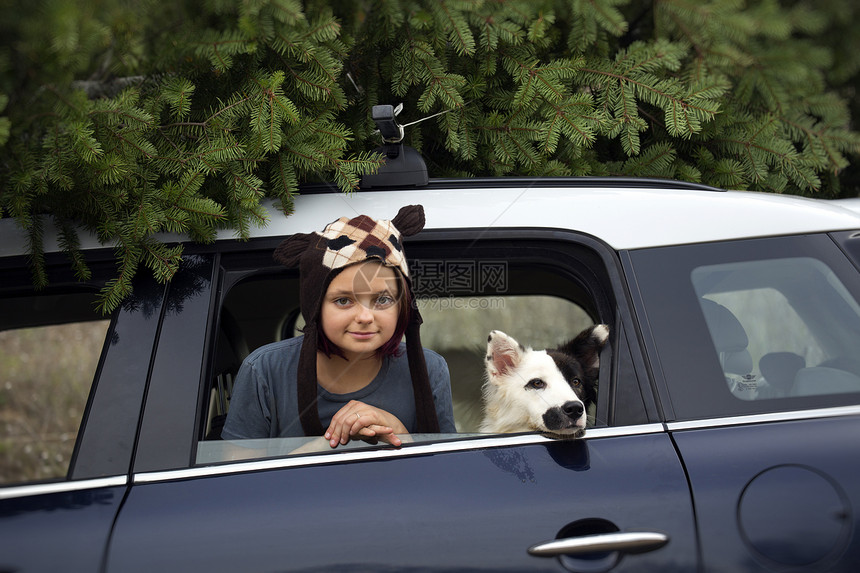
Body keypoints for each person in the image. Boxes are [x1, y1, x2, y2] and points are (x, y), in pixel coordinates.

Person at [222, 205, 456, 448]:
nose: (365, 317)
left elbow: (446, 474)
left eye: (383, 300)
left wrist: (397, 432)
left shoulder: (430, 370)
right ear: (315, 307)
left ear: (403, 305)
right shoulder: (265, 371)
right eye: (343, 300)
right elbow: (237, 481)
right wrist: (330, 443)